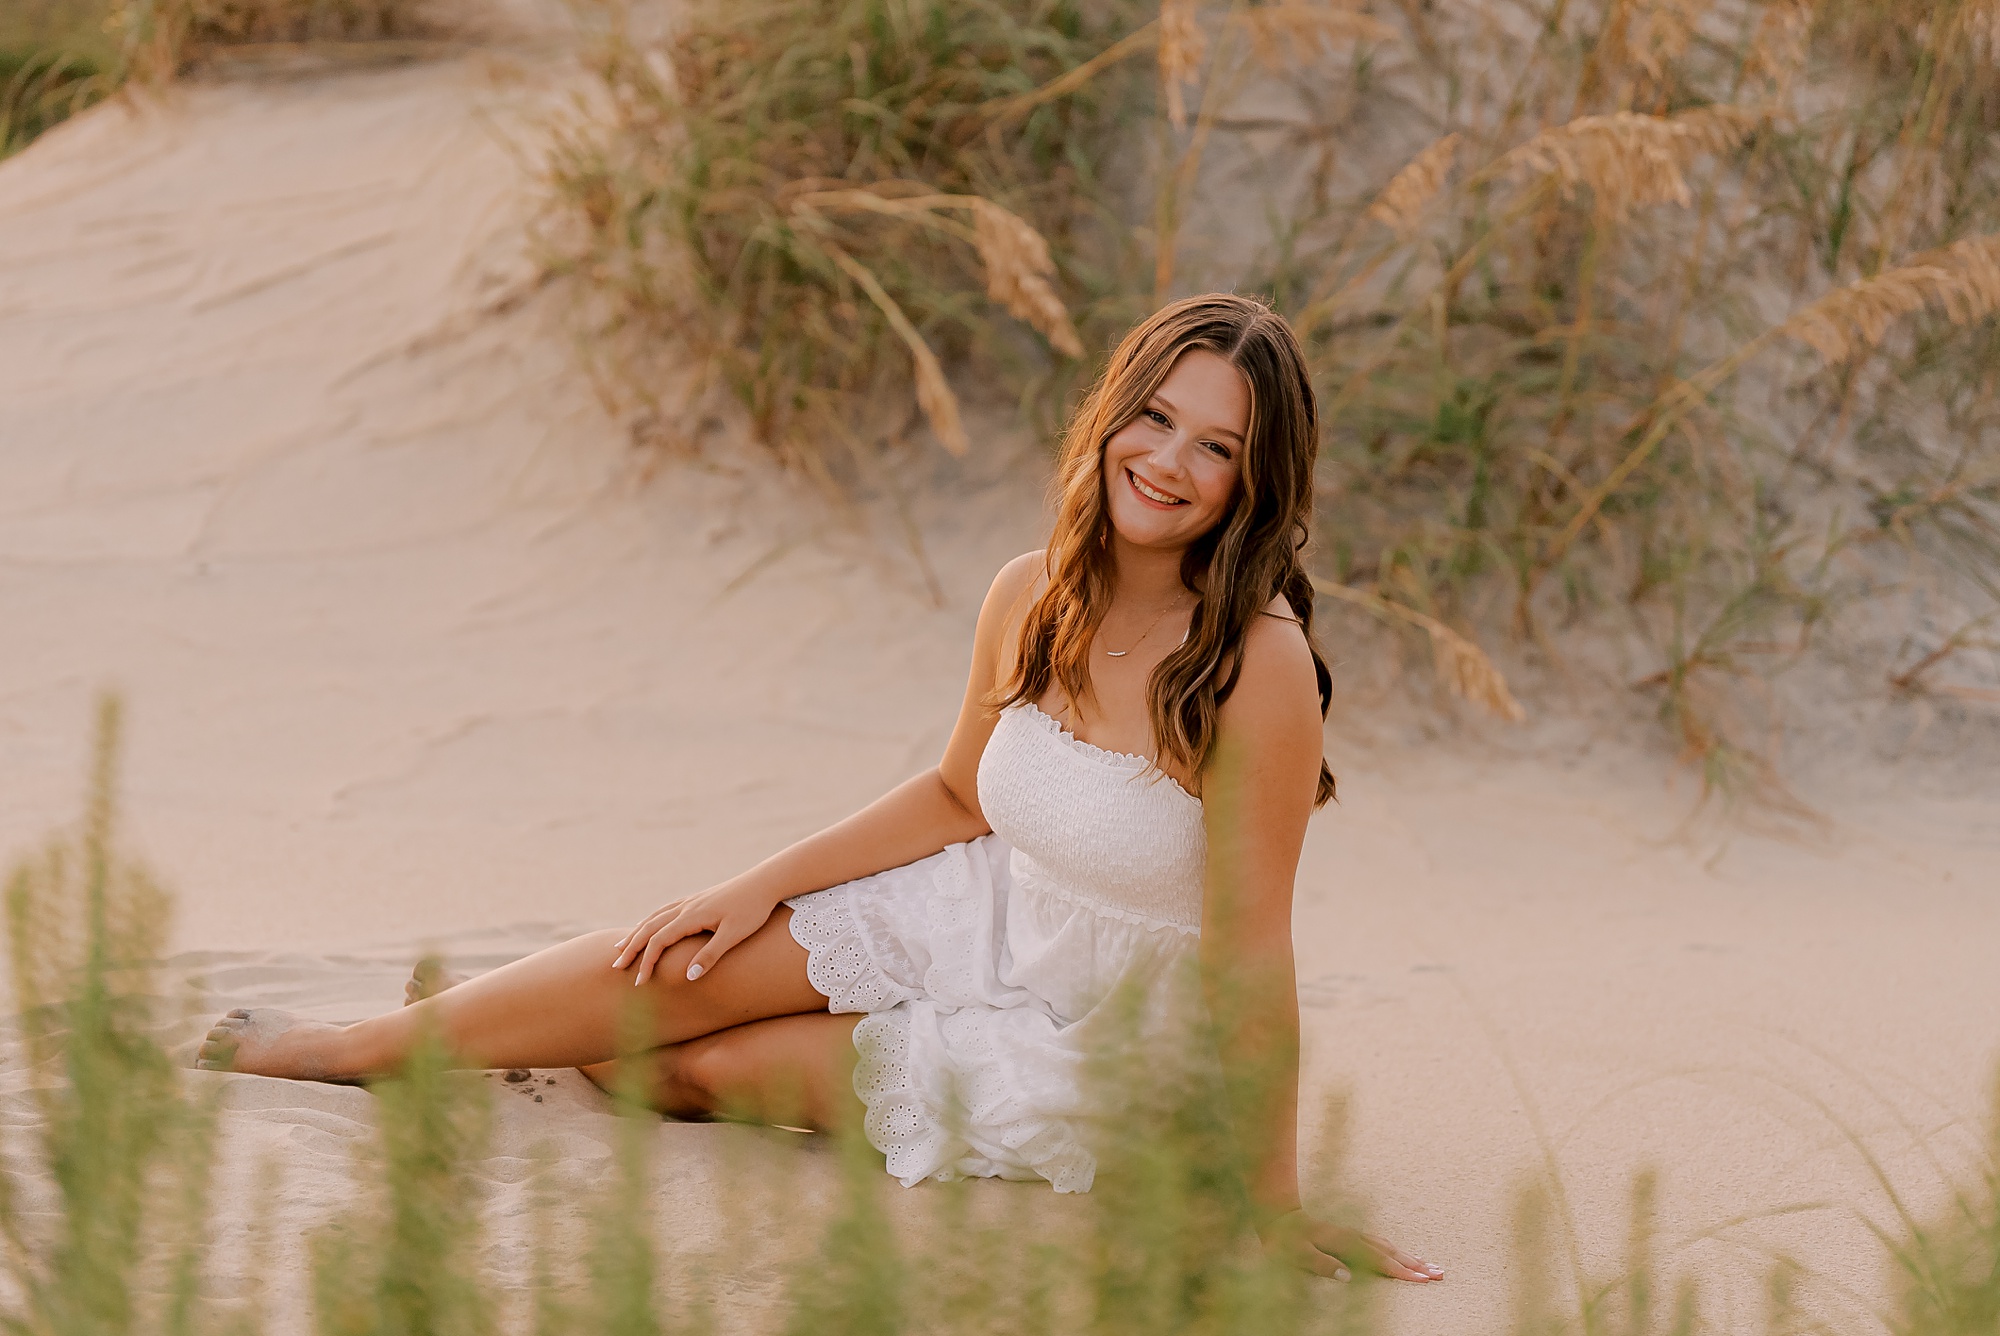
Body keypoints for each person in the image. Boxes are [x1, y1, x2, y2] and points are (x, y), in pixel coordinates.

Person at [198, 292, 1441, 1284]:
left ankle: (541, 1049)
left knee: (705, 1072)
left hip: (1110, 1032)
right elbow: (959, 794)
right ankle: (356, 1048)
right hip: (984, 902)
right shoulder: (1033, 590)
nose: (1167, 462)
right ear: (1111, 413)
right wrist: (752, 886)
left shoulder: (1258, 664)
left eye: (1214, 446)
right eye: (1155, 418)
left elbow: (1248, 952)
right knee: (677, 967)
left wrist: (1269, 1199)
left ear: (1252, 481)